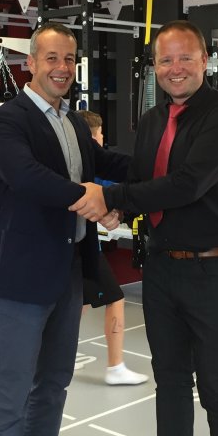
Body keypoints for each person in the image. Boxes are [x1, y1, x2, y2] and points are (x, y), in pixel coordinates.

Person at [70, 20, 218, 436]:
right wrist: (118, 205)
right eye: (165, 60)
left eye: (185, 58)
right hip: (163, 271)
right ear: (155, 67)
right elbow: (145, 179)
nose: (175, 69)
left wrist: (112, 198)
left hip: (215, 272)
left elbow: (186, 184)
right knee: (170, 384)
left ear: (204, 60)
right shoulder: (152, 121)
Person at [0, 23, 130, 436]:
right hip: (23, 279)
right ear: (31, 63)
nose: (62, 68)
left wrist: (165, 165)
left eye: (69, 59)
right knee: (9, 398)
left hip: (68, 271)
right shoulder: (7, 118)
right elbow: (23, 175)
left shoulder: (72, 122)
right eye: (51, 58)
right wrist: (92, 199)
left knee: (54, 382)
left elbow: (107, 163)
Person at [76, 109, 149, 386]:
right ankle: (115, 367)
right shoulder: (87, 165)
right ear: (93, 137)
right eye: (100, 135)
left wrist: (114, 209)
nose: (102, 139)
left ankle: (58, 352)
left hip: (80, 244)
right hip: (83, 247)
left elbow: (111, 194)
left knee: (78, 302)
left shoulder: (85, 165)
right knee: (115, 299)